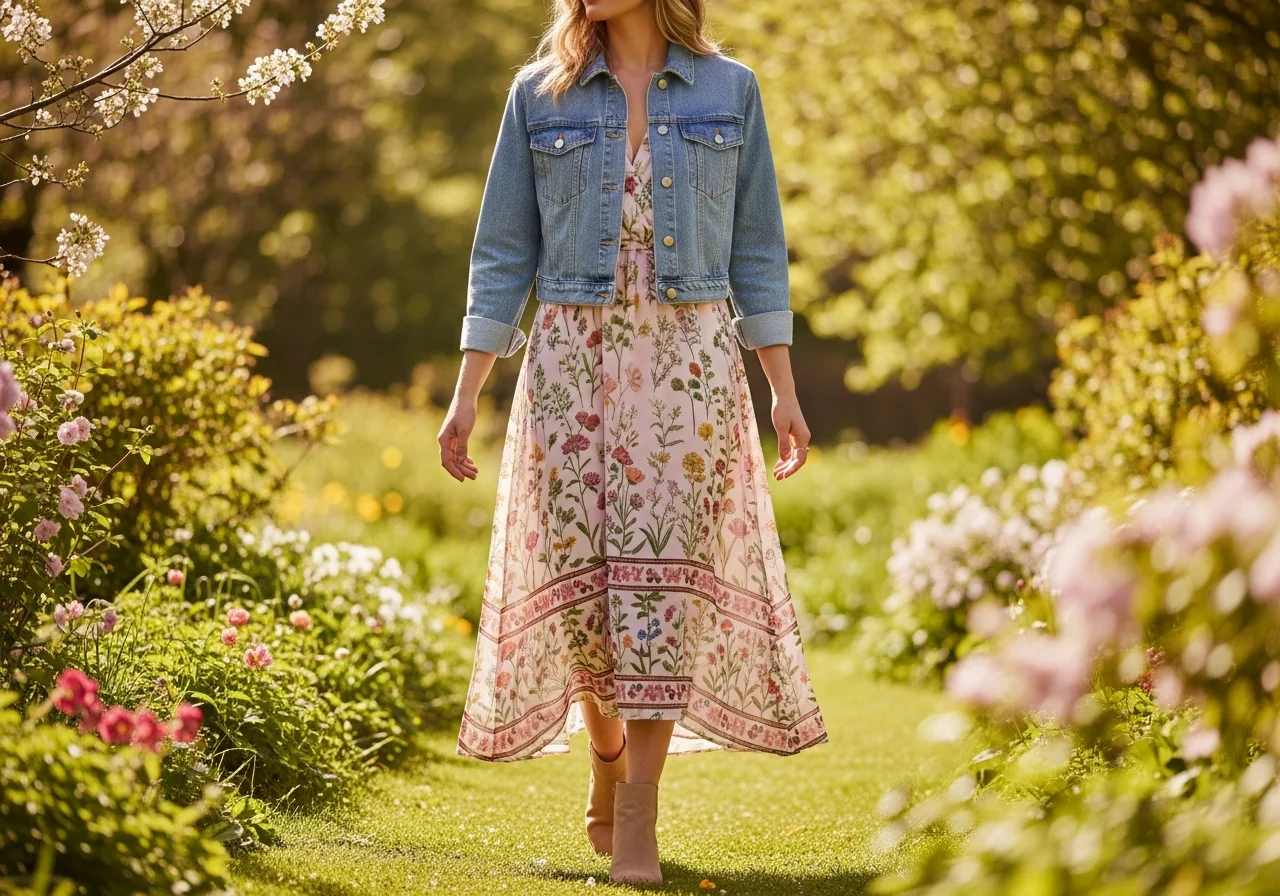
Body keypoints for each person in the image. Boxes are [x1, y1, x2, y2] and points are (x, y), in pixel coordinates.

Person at [439, 0, 828, 884]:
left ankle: (642, 816)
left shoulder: (733, 89)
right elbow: (502, 256)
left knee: (667, 594)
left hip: (690, 371)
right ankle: (605, 756)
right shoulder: (540, 95)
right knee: (583, 596)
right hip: (571, 372)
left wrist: (782, 390)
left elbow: (760, 251)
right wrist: (466, 395)